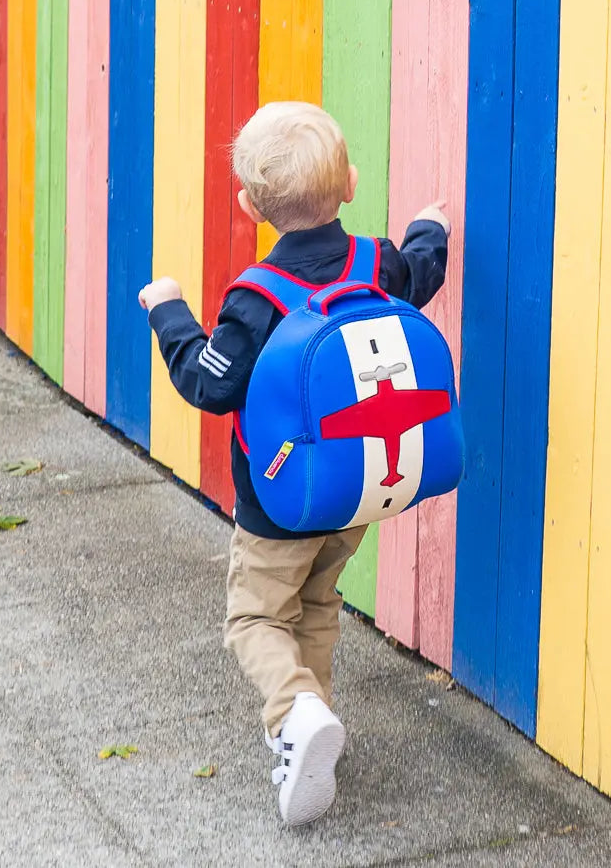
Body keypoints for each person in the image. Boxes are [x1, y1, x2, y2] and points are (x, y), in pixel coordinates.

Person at [138, 101, 450, 825]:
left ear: (249, 205)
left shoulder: (258, 297)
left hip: (279, 501)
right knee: (316, 604)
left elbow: (209, 383)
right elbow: (424, 268)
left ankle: (295, 714)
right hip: (362, 488)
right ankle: (313, 732)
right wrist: (430, 223)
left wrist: (169, 310)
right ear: (349, 183)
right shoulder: (379, 263)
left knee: (253, 618)